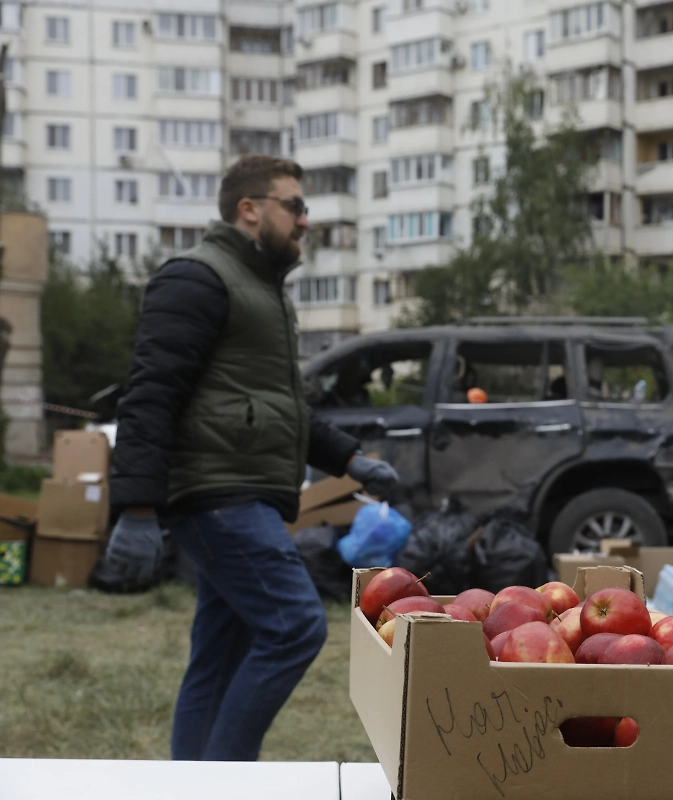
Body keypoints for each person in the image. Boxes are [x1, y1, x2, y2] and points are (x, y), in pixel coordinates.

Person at [95, 155, 401, 762]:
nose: (305, 220)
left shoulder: (261, 291)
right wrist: (134, 508)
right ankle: (228, 780)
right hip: (218, 494)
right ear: (250, 209)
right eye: (295, 205)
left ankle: (194, 784)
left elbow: (274, 408)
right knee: (295, 626)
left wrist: (350, 460)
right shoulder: (198, 278)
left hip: (243, 490)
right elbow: (150, 395)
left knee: (220, 650)